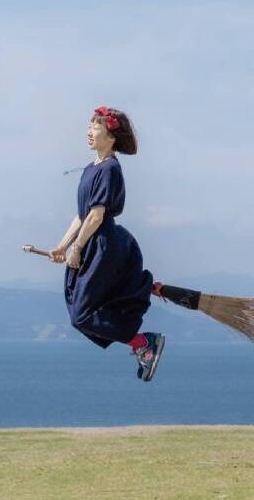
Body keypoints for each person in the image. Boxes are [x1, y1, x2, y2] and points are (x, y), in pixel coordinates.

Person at [43, 107, 165, 382]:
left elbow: (97, 215)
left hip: (102, 245)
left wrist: (77, 248)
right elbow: (82, 214)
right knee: (78, 309)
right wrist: (62, 246)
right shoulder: (90, 169)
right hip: (89, 242)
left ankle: (143, 343)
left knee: (82, 314)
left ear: (110, 137)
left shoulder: (110, 169)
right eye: (89, 126)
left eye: (96, 127)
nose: (89, 132)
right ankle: (142, 343)